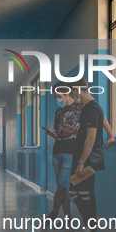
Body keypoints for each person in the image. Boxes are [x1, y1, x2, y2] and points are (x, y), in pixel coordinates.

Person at [63, 78, 114, 232]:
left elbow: (91, 137)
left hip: (88, 160)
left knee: (85, 193)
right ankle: (89, 228)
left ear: (78, 88)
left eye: (72, 91)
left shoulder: (91, 108)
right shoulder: (89, 107)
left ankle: (91, 231)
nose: (72, 95)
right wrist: (76, 130)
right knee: (75, 191)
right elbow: (98, 122)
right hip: (84, 158)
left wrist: (81, 162)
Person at [43, 82, 81, 222]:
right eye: (55, 97)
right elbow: (59, 133)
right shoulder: (58, 111)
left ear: (67, 94)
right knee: (63, 188)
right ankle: (68, 218)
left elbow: (83, 131)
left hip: (70, 153)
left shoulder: (80, 108)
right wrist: (53, 134)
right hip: (57, 152)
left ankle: (53, 212)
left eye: (59, 96)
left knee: (61, 186)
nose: (57, 100)